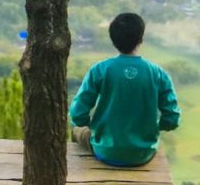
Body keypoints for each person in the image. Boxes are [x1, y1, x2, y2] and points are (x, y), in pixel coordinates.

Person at [69, 12, 180, 166]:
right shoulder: (158, 74)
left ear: (113, 40)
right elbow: (172, 119)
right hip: (144, 154)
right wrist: (152, 127)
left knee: (76, 130)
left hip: (104, 151)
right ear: (141, 39)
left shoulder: (100, 70)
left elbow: (77, 113)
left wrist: (91, 127)